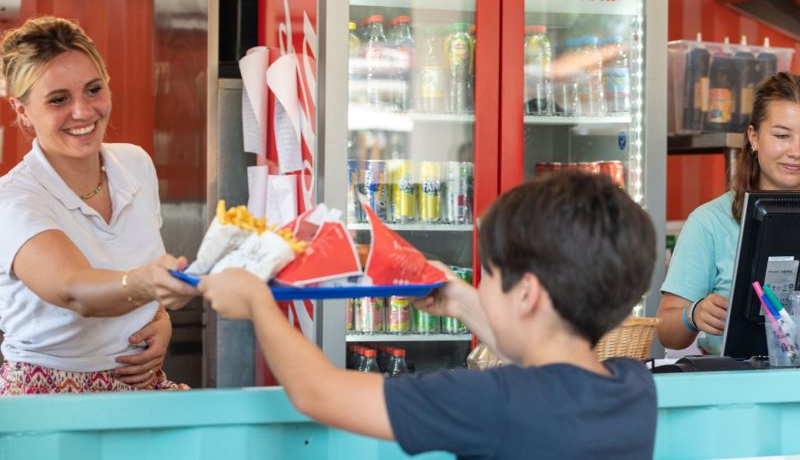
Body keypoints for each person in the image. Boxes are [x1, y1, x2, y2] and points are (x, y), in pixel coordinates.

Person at [200, 170, 658, 459]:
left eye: (490, 275)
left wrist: (259, 303)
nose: (483, 286)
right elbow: (545, 362)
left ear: (526, 295)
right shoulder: (633, 388)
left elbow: (318, 393)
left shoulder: (490, 401)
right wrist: (459, 301)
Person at [0, 16, 199, 395]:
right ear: (22, 109)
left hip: (139, 385)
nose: (83, 111)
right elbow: (73, 289)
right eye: (58, 99)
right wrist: (146, 285)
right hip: (49, 397)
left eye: (94, 90)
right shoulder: (13, 199)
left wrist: (157, 315)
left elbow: (127, 268)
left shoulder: (136, 165)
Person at [658, 72, 800, 354]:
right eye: (782, 136)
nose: (796, 151)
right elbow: (666, 331)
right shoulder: (709, 222)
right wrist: (694, 313)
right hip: (736, 388)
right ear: (754, 137)